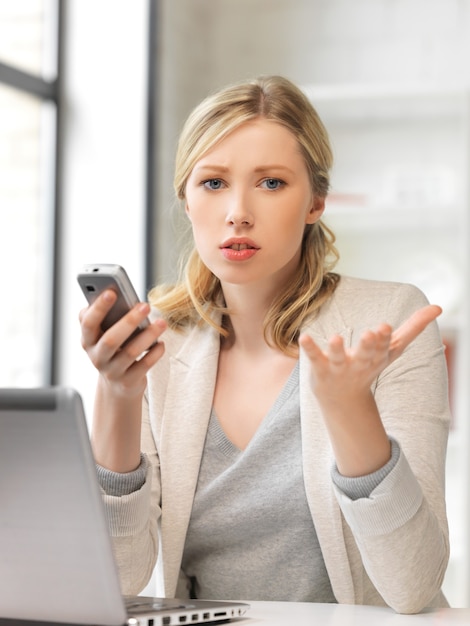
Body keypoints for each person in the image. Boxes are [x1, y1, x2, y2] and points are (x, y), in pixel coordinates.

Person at [79, 75, 450, 614]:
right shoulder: (160, 340)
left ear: (316, 201)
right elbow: (114, 582)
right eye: (212, 183)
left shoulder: (388, 319)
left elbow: (412, 586)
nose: (238, 212)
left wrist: (351, 412)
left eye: (271, 183)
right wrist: (117, 391)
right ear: (186, 200)